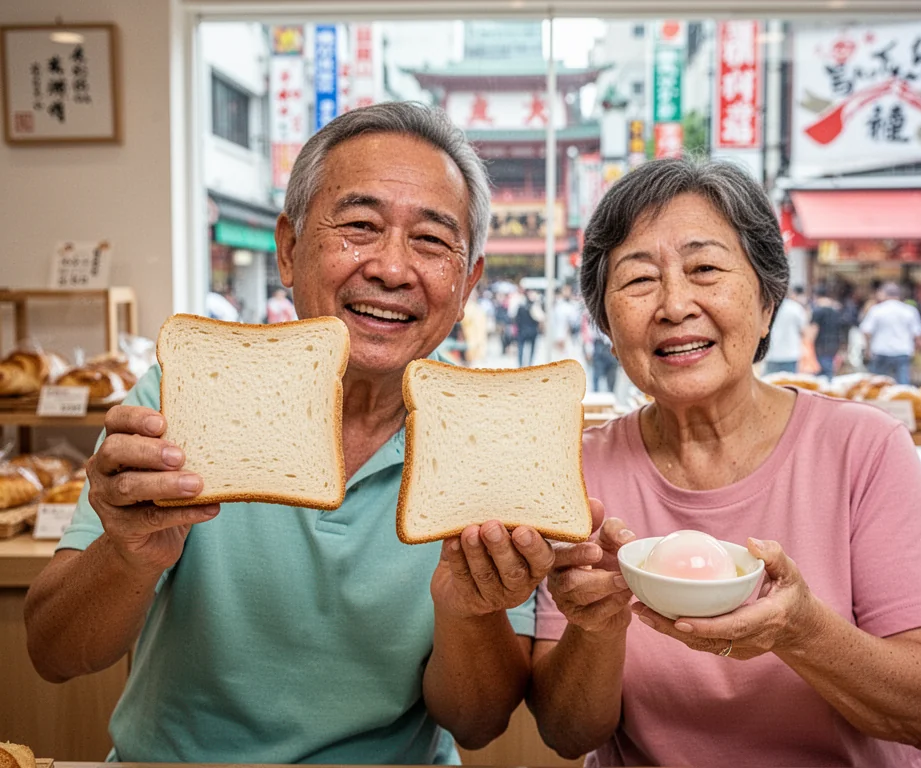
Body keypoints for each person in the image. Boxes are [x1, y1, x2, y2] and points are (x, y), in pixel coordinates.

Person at [24, 103, 563, 764]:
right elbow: (54, 652)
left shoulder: (492, 435)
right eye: (360, 225)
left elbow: (477, 723)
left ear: (469, 281)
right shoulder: (182, 398)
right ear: (288, 247)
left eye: (430, 240)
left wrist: (467, 610)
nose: (392, 269)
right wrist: (129, 554)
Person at [528, 157, 921, 767]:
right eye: (638, 280)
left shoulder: (865, 447)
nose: (674, 305)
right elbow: (566, 733)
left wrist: (802, 631)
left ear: (768, 302)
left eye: (705, 269)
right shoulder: (578, 472)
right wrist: (596, 629)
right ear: (607, 326)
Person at [859, 282, 921, 385]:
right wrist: (915, 349)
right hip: (903, 351)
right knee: (902, 385)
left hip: (881, 350)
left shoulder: (877, 310)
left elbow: (866, 331)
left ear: (884, 294)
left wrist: (868, 348)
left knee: (878, 385)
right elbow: (917, 333)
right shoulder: (910, 310)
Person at [761, 288, 806, 374]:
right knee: (788, 381)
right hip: (791, 354)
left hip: (772, 354)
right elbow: (804, 331)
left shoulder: (767, 308)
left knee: (770, 381)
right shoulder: (796, 308)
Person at [806, 286, 843, 379]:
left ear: (816, 296)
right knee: (829, 371)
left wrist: (808, 344)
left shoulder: (817, 311)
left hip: (820, 346)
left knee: (820, 375)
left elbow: (813, 330)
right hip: (834, 345)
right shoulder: (836, 311)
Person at [515, 289, 543, 367]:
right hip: (530, 331)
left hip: (524, 331)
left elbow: (517, 319)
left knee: (521, 349)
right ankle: (529, 364)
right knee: (529, 349)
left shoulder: (522, 306)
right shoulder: (535, 306)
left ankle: (521, 365)